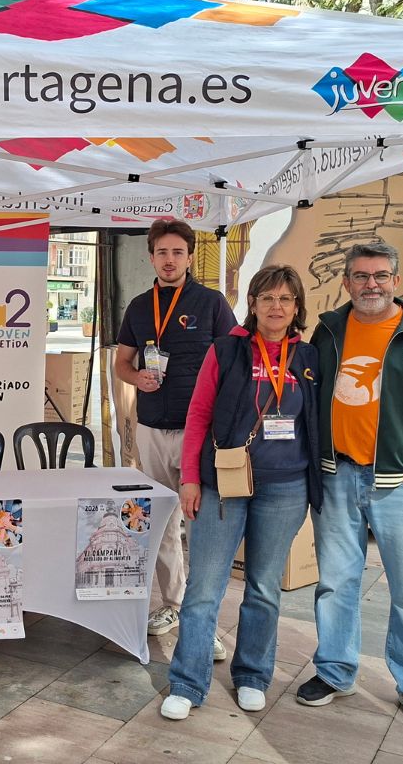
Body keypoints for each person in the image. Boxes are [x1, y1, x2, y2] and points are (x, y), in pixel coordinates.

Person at [295, 242, 403, 732]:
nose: (370, 284)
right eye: (360, 276)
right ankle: (334, 671)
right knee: (335, 582)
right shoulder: (329, 330)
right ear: (347, 282)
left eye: (380, 275)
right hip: (336, 476)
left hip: (400, 484)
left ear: (396, 280)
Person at [160, 265, 322, 720]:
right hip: (223, 484)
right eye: (267, 298)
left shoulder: (309, 357)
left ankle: (252, 674)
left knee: (264, 588)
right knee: (204, 588)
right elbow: (198, 414)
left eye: (285, 299)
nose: (276, 307)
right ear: (252, 303)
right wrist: (190, 478)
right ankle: (187, 682)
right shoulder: (226, 350)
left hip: (286, 487)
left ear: (296, 306)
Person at [114, 219, 237, 658]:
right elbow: (121, 364)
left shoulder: (212, 303)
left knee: (201, 528)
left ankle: (204, 624)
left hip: (197, 433)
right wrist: (136, 379)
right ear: (151, 257)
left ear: (189, 257)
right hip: (151, 429)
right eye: (162, 253)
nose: (169, 260)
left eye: (177, 253)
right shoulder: (138, 307)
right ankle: (174, 604)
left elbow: (233, 363)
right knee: (163, 523)